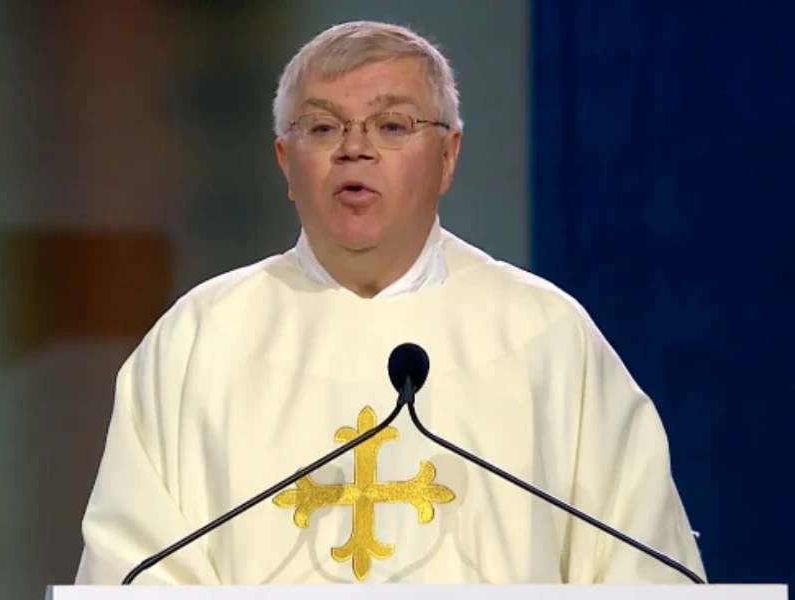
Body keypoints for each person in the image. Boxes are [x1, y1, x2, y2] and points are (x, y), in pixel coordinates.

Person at [74, 20, 706, 585]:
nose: (356, 148)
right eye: (323, 127)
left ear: (448, 155)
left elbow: (647, 570)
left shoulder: (547, 336)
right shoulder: (197, 342)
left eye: (393, 125)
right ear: (285, 161)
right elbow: (131, 573)